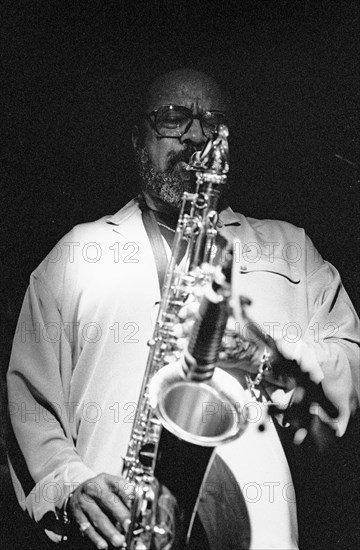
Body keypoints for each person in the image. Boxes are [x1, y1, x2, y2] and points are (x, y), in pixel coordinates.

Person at [6, 68, 359, 550]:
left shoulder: (290, 247)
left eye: (213, 122)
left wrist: (260, 356)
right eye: (174, 118)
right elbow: (29, 406)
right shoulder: (74, 256)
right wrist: (68, 484)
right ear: (137, 139)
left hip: (259, 530)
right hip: (119, 530)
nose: (196, 135)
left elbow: (353, 367)